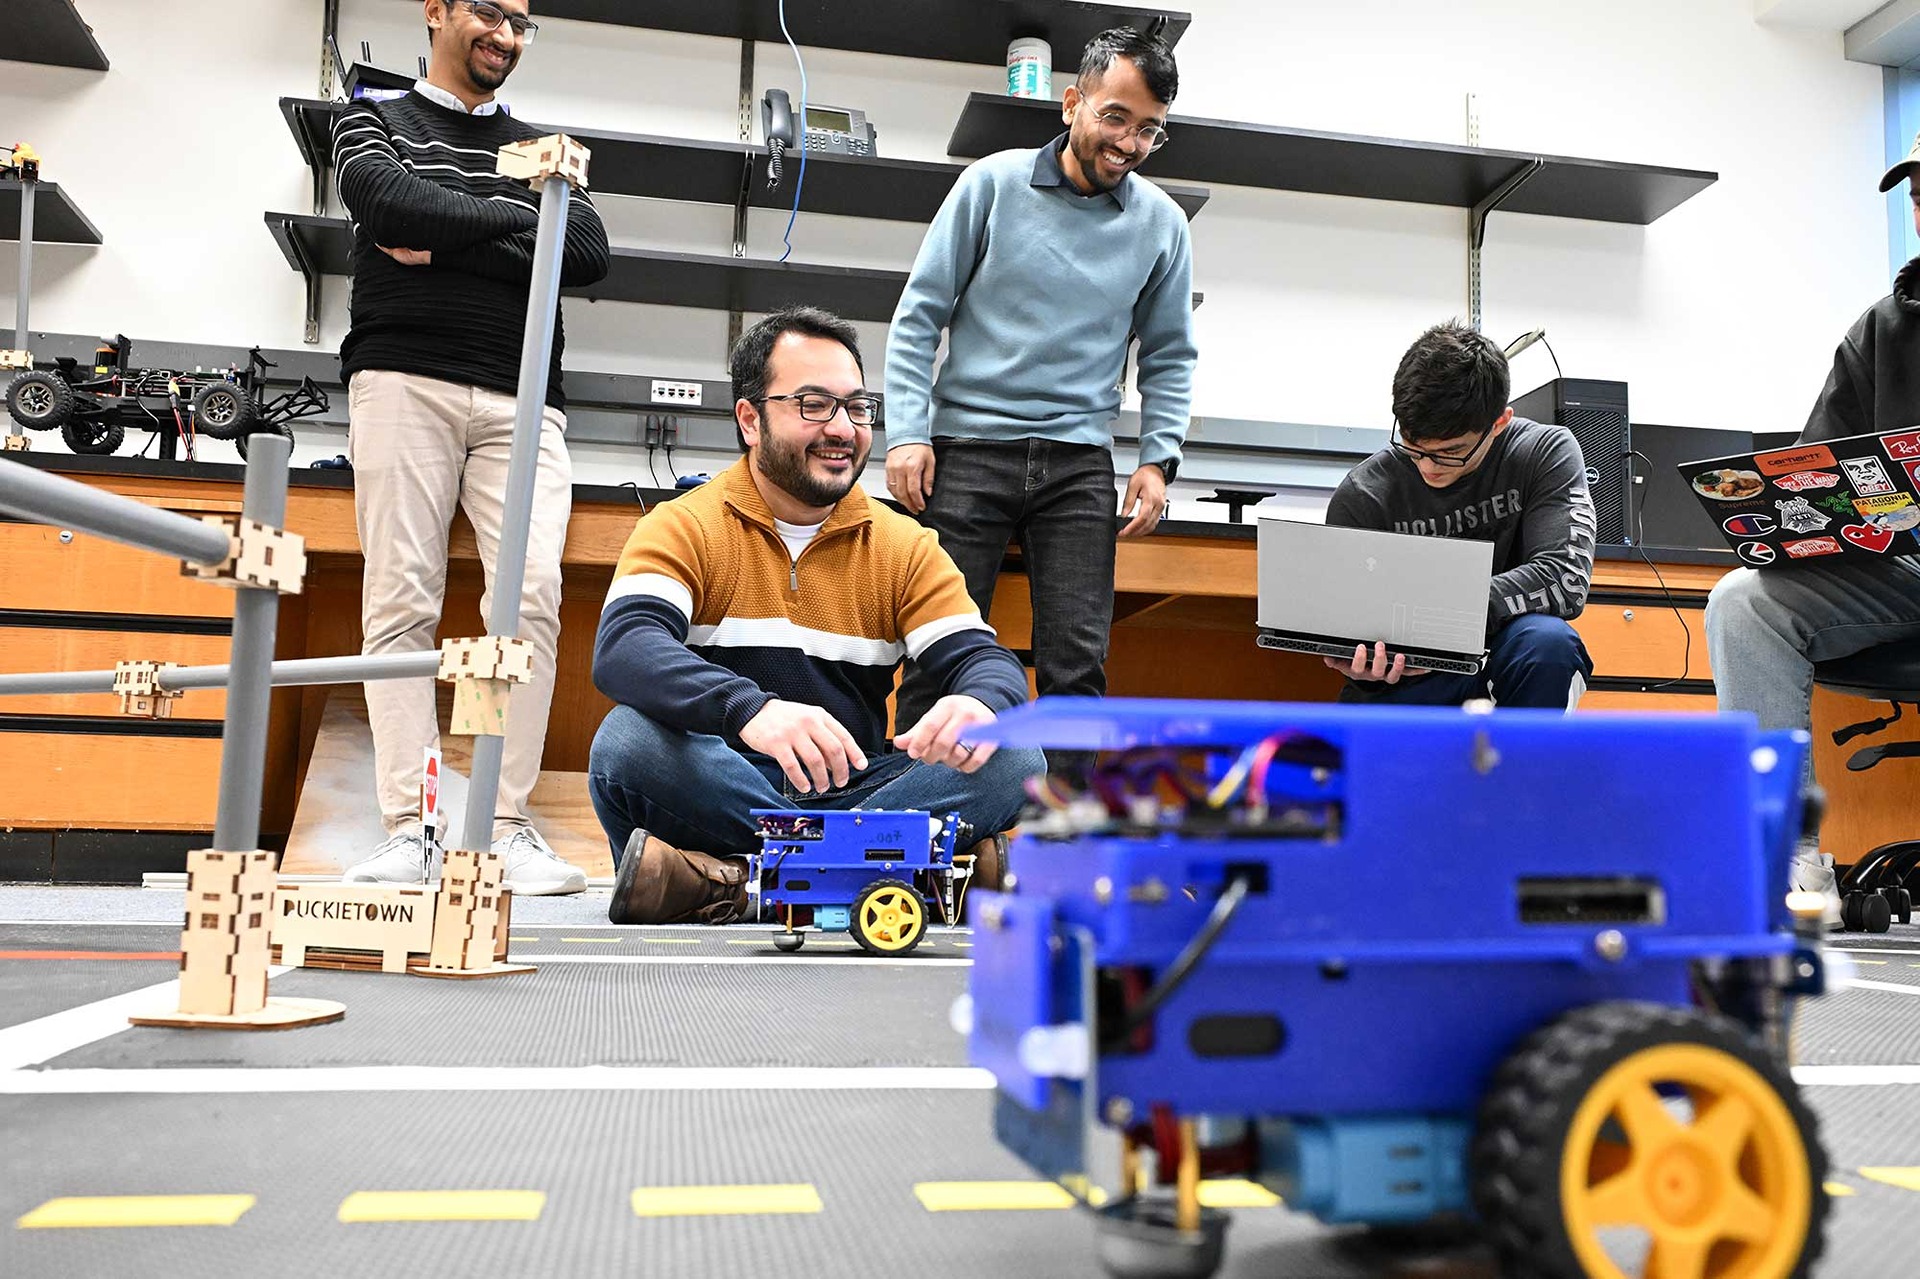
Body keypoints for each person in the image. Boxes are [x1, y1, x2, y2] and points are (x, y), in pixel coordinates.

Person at [588, 307, 1047, 926]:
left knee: (1014, 755)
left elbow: (983, 659)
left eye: (857, 407)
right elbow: (626, 647)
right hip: (726, 780)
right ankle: (890, 874)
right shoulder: (684, 525)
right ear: (750, 419)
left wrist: (979, 702)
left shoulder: (903, 545)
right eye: (813, 405)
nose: (843, 428)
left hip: (858, 790)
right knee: (627, 742)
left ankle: (730, 882)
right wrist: (751, 710)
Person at [331, 0, 609, 894]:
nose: (506, 35)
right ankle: (412, 824)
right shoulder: (372, 120)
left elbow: (586, 251)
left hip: (524, 396)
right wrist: (515, 218)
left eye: (522, 23)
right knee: (400, 599)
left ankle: (495, 823)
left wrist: (447, 234)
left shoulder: (544, 149)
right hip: (402, 379)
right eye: (489, 12)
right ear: (436, 11)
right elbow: (387, 202)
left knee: (523, 604)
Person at [883, 27, 1198, 767]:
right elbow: (919, 315)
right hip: (966, 451)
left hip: (1078, 461)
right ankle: (917, 816)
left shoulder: (1162, 224)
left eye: (1149, 129)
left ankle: (1064, 824)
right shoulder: (990, 185)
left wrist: (1159, 460)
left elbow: (1170, 353)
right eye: (1115, 116)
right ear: (1071, 103)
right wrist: (907, 432)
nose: (1129, 142)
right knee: (934, 649)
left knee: (1076, 667)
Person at [1705, 136, 1920, 896]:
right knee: (1742, 603)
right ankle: (1784, 855)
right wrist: (1794, 525)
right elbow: (1817, 469)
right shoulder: (1882, 330)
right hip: (1902, 567)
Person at [1322, 322, 1597, 708]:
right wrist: (1355, 659)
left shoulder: (1544, 452)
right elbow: (1346, 615)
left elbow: (1564, 579)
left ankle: (1526, 752)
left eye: (1451, 452)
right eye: (1413, 447)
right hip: (1406, 678)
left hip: (1506, 654)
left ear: (1499, 423)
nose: (1428, 466)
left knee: (1550, 645)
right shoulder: (1364, 492)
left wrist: (1441, 617)